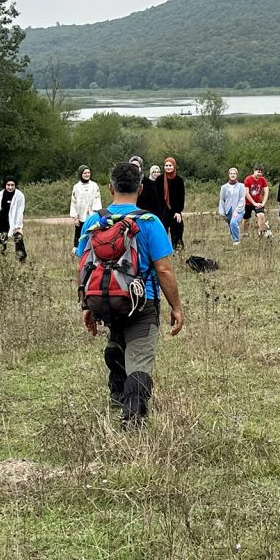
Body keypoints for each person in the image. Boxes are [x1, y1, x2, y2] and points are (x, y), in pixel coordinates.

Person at [76, 162, 184, 426]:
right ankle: (133, 415)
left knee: (117, 336)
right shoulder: (149, 222)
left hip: (104, 298)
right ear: (141, 188)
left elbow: (83, 266)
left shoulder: (93, 221)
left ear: (110, 187)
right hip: (141, 298)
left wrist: (86, 305)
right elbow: (165, 271)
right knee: (140, 356)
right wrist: (176, 307)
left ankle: (117, 391)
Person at [0, 177, 27, 260]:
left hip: (14, 222)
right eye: (8, 185)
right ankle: (2, 260)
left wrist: (18, 226)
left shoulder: (19, 195)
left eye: (12, 185)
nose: (10, 187)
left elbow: (20, 211)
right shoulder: (0, 194)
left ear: (15, 185)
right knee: (1, 242)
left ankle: (21, 258)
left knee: (18, 239)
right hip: (1, 221)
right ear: (5, 185)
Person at [70, 165, 103, 249]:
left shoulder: (94, 186)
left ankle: (93, 247)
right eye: (85, 173)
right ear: (81, 174)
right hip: (81, 214)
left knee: (93, 231)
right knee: (79, 231)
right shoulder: (76, 187)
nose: (87, 174)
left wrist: (97, 212)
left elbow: (97, 198)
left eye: (88, 173)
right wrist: (75, 216)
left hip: (91, 214)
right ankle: (78, 248)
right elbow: (73, 202)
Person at [161, 157, 187, 250]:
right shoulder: (160, 179)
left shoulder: (179, 180)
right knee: (162, 232)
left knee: (177, 230)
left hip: (175, 211)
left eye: (170, 165)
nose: (168, 167)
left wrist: (178, 211)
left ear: (174, 166)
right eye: (166, 165)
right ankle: (163, 250)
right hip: (163, 211)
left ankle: (177, 249)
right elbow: (157, 196)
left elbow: (181, 197)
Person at [243, 165, 273, 238]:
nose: (259, 174)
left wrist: (263, 203)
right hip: (248, 202)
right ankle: (245, 233)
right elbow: (246, 193)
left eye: (261, 172)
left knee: (261, 215)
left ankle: (261, 233)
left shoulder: (262, 180)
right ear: (254, 171)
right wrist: (254, 203)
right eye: (258, 172)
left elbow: (266, 191)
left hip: (258, 202)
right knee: (246, 218)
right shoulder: (248, 179)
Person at [218, 167, 245, 245]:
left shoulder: (241, 186)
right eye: (231, 173)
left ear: (237, 175)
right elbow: (222, 200)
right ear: (228, 175)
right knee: (231, 225)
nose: (232, 175)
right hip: (228, 210)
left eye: (234, 173)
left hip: (238, 210)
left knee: (233, 222)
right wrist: (222, 212)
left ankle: (236, 241)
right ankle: (234, 239)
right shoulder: (224, 187)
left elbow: (242, 199)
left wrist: (237, 211)